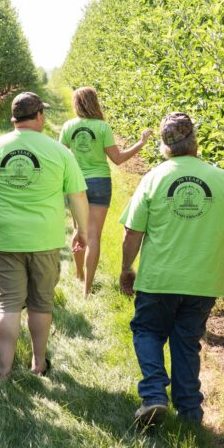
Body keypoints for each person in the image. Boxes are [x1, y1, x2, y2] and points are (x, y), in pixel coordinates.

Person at [118, 112, 224, 428]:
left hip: (159, 279)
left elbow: (132, 232)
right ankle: (190, 413)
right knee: (186, 341)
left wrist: (127, 268)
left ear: (165, 146)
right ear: (195, 142)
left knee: (148, 330)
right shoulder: (221, 179)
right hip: (203, 282)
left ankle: (153, 395)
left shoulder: (154, 178)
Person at [0, 91, 90, 379]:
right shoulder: (60, 152)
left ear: (13, 117)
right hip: (44, 239)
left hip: (5, 238)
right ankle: (38, 363)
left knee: (7, 303)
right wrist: (81, 230)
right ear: (39, 116)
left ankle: (5, 370)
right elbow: (77, 196)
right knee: (40, 303)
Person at [59, 86, 152, 296]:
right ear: (95, 103)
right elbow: (118, 159)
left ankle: (79, 275)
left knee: (78, 231)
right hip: (100, 183)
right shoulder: (103, 127)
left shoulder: (68, 126)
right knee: (93, 237)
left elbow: (60, 156)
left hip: (75, 184)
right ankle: (87, 288)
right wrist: (141, 143)